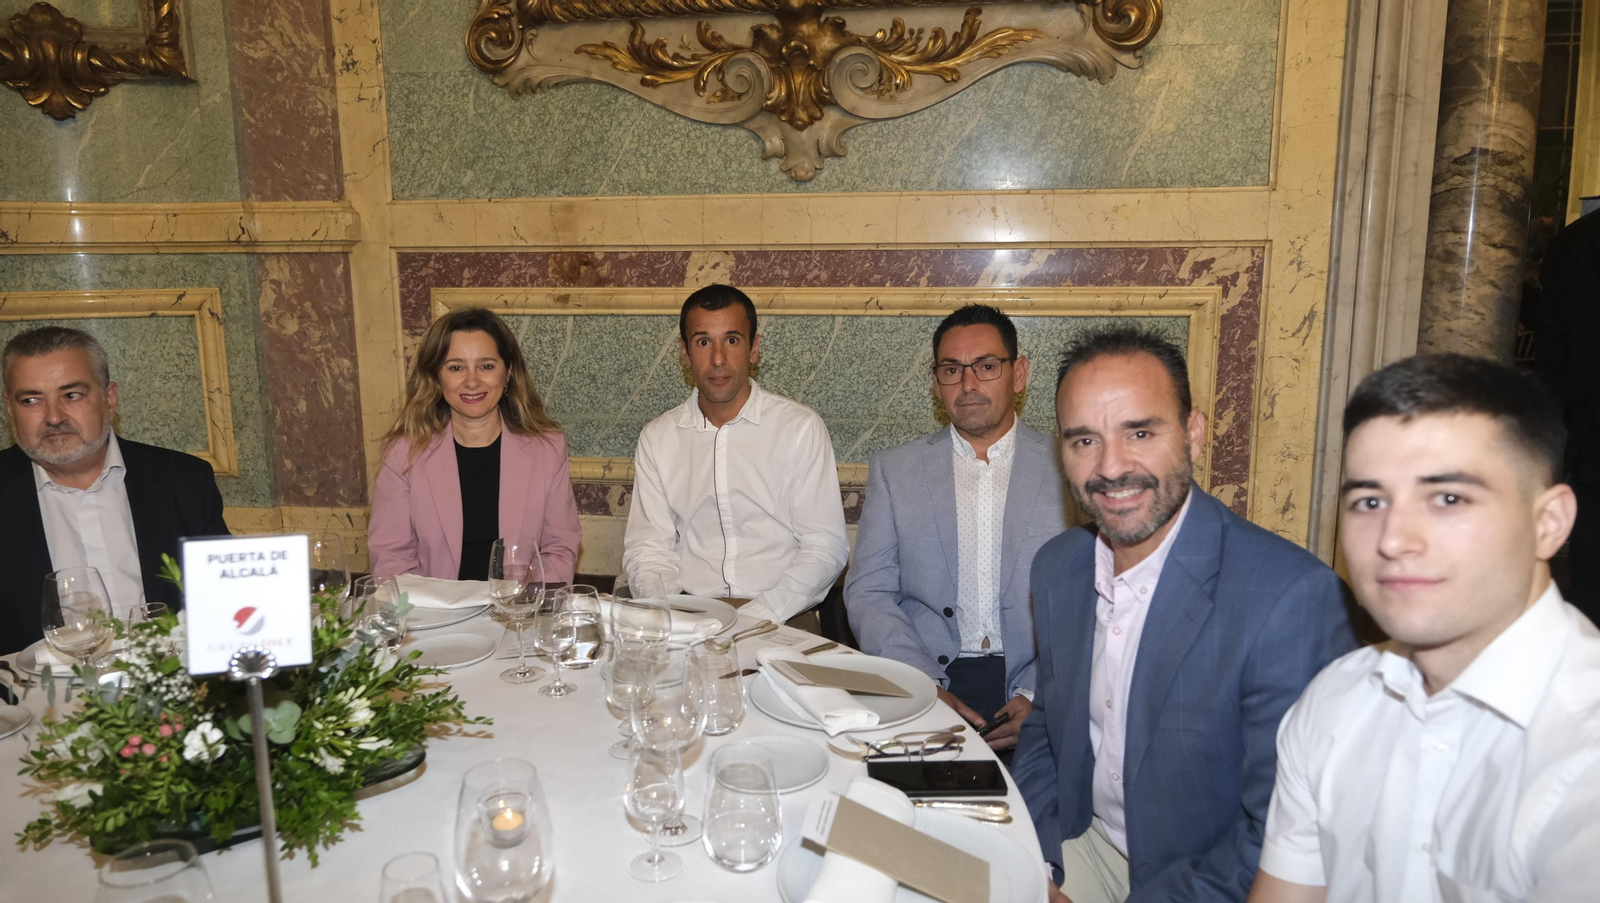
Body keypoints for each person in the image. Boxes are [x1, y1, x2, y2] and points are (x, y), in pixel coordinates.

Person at [1011, 327, 1356, 903]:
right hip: (1083, 841)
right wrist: (1037, 862)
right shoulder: (1058, 568)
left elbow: (1287, 835)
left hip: (1206, 880)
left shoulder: (1291, 598)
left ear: (1193, 432)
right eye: (1085, 440)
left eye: (1140, 432)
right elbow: (1048, 729)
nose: (1111, 467)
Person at [1247, 354, 1600, 903]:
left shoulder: (1583, 749)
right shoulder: (1334, 701)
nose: (1393, 539)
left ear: (1548, 523)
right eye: (1369, 501)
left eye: (1448, 498)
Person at [844, 304, 1068, 755]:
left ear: (1019, 374)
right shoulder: (896, 470)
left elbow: (1092, 598)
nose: (968, 384)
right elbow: (869, 590)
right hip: (925, 670)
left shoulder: (1069, 465)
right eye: (951, 370)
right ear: (935, 383)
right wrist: (919, 683)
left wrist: (1038, 694)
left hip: (1040, 676)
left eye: (986, 366)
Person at [622, 284, 849, 629]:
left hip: (781, 614)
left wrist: (755, 617)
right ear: (684, 352)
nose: (718, 359)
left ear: (754, 348)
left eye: (731, 340)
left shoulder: (799, 428)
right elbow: (648, 548)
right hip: (689, 612)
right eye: (703, 342)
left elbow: (825, 547)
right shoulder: (658, 437)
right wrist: (668, 614)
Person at [0, 326, 230, 653]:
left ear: (110, 399)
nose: (53, 417)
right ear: (10, 409)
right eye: (31, 400)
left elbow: (225, 600)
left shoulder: (183, 481)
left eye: (71, 395)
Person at [368, 307, 580, 584]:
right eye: (456, 367)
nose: (471, 381)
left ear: (508, 373)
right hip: (432, 608)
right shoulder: (403, 453)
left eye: (486, 366)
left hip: (519, 606)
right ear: (436, 376)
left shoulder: (547, 448)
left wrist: (522, 602)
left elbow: (560, 549)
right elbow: (391, 559)